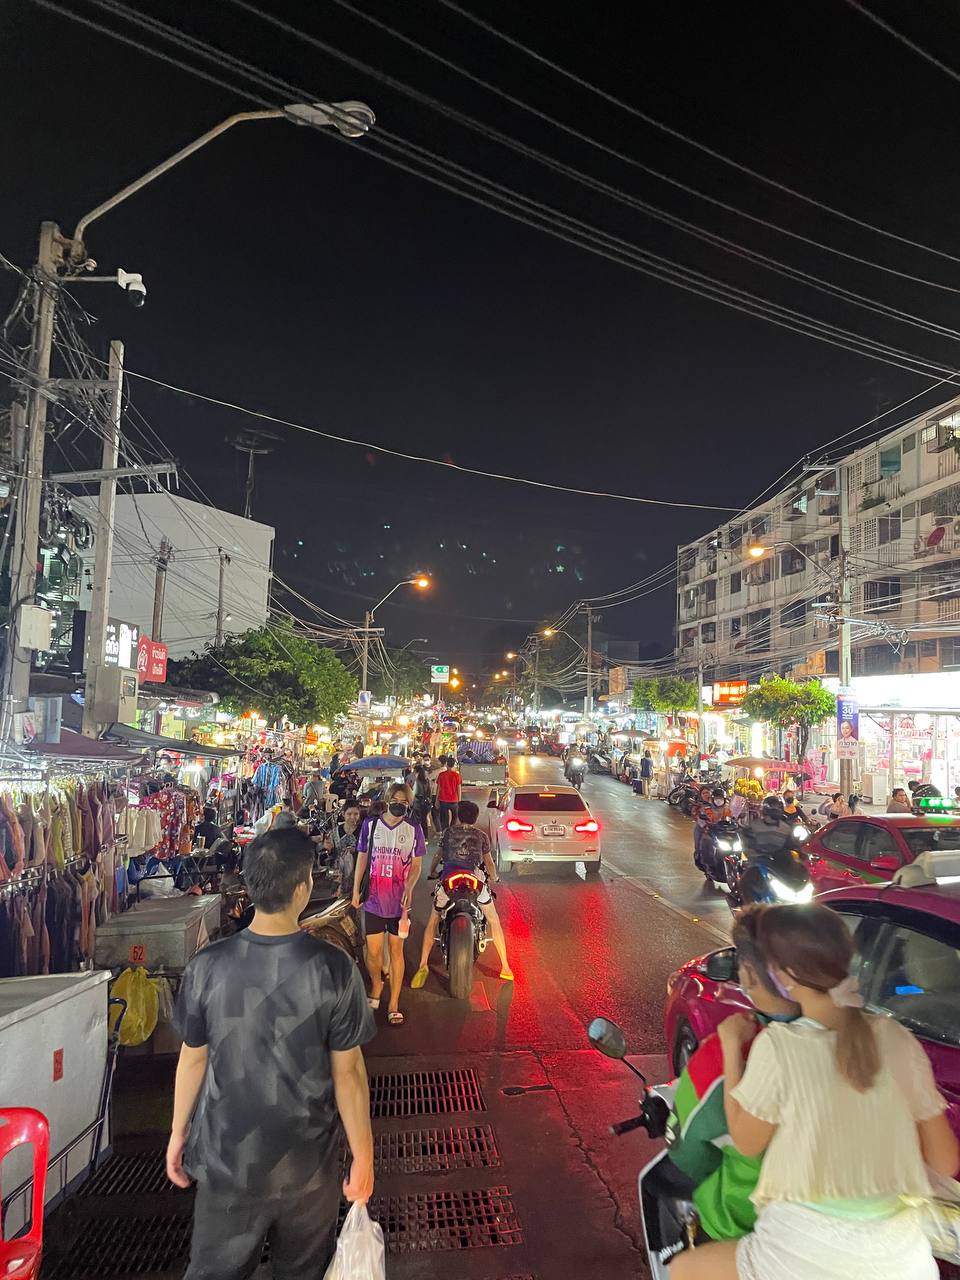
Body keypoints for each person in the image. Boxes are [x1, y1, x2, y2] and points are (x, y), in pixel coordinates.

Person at [671, 902, 959, 1280]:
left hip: (801, 1253)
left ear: (784, 975)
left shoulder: (778, 1046)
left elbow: (745, 1141)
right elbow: (943, 1162)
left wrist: (730, 1049)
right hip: (903, 1258)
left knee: (683, 1269)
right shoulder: (896, 1038)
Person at [167, 827, 375, 1280]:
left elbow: (193, 1060)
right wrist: (363, 1155)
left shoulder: (208, 966)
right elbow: (349, 1074)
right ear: (303, 889)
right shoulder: (333, 968)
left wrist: (178, 1134)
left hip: (227, 1162)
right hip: (307, 1168)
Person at [667, 906, 801, 1241]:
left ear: (749, 975)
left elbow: (689, 1153)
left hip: (747, 1226)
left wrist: (729, 1048)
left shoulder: (724, 1057)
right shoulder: (864, 1043)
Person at [411, 799, 512, 987]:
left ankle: (423, 964)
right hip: (475, 882)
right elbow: (489, 863)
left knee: (433, 919)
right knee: (493, 920)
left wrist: (432, 872)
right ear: (475, 817)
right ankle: (505, 967)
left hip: (449, 882)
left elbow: (437, 855)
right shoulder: (481, 836)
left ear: (458, 815)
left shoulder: (448, 832)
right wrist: (495, 877)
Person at [352, 783, 424, 1026]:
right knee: (372, 953)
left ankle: (393, 1003)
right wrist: (355, 890)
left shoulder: (414, 829)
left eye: (405, 802)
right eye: (397, 800)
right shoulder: (370, 825)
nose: (400, 805)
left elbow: (416, 865)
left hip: (399, 904)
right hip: (373, 899)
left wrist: (410, 886)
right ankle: (377, 984)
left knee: (396, 952)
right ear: (388, 799)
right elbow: (362, 857)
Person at [323, 800, 362, 898]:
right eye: (349, 814)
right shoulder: (335, 831)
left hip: (358, 873)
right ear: (343, 814)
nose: (352, 817)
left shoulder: (363, 831)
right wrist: (328, 847)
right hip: (338, 875)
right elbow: (330, 851)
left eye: (356, 814)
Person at [435, 756, 462, 831]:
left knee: (444, 819)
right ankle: (452, 831)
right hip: (454, 800)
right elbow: (458, 789)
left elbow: (438, 788)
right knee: (455, 817)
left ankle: (445, 833)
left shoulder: (441, 775)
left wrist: (436, 800)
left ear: (446, 764)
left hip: (443, 800)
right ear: (454, 765)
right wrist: (459, 801)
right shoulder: (457, 775)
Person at [411, 763, 433, 839]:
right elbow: (429, 793)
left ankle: (418, 836)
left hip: (418, 803)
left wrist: (411, 803)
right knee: (424, 821)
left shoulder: (417, 782)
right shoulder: (427, 781)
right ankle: (425, 837)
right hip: (426, 803)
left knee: (417, 821)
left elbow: (414, 793)